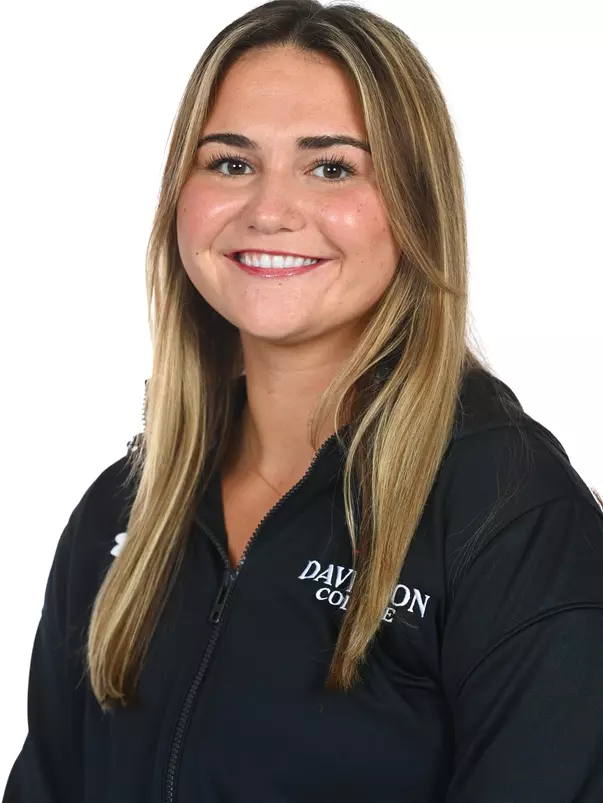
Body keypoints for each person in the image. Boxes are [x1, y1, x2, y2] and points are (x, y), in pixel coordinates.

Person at [3, 1, 603, 801]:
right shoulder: (123, 511)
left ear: (415, 204)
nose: (270, 210)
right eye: (229, 162)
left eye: (331, 167)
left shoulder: (506, 510)